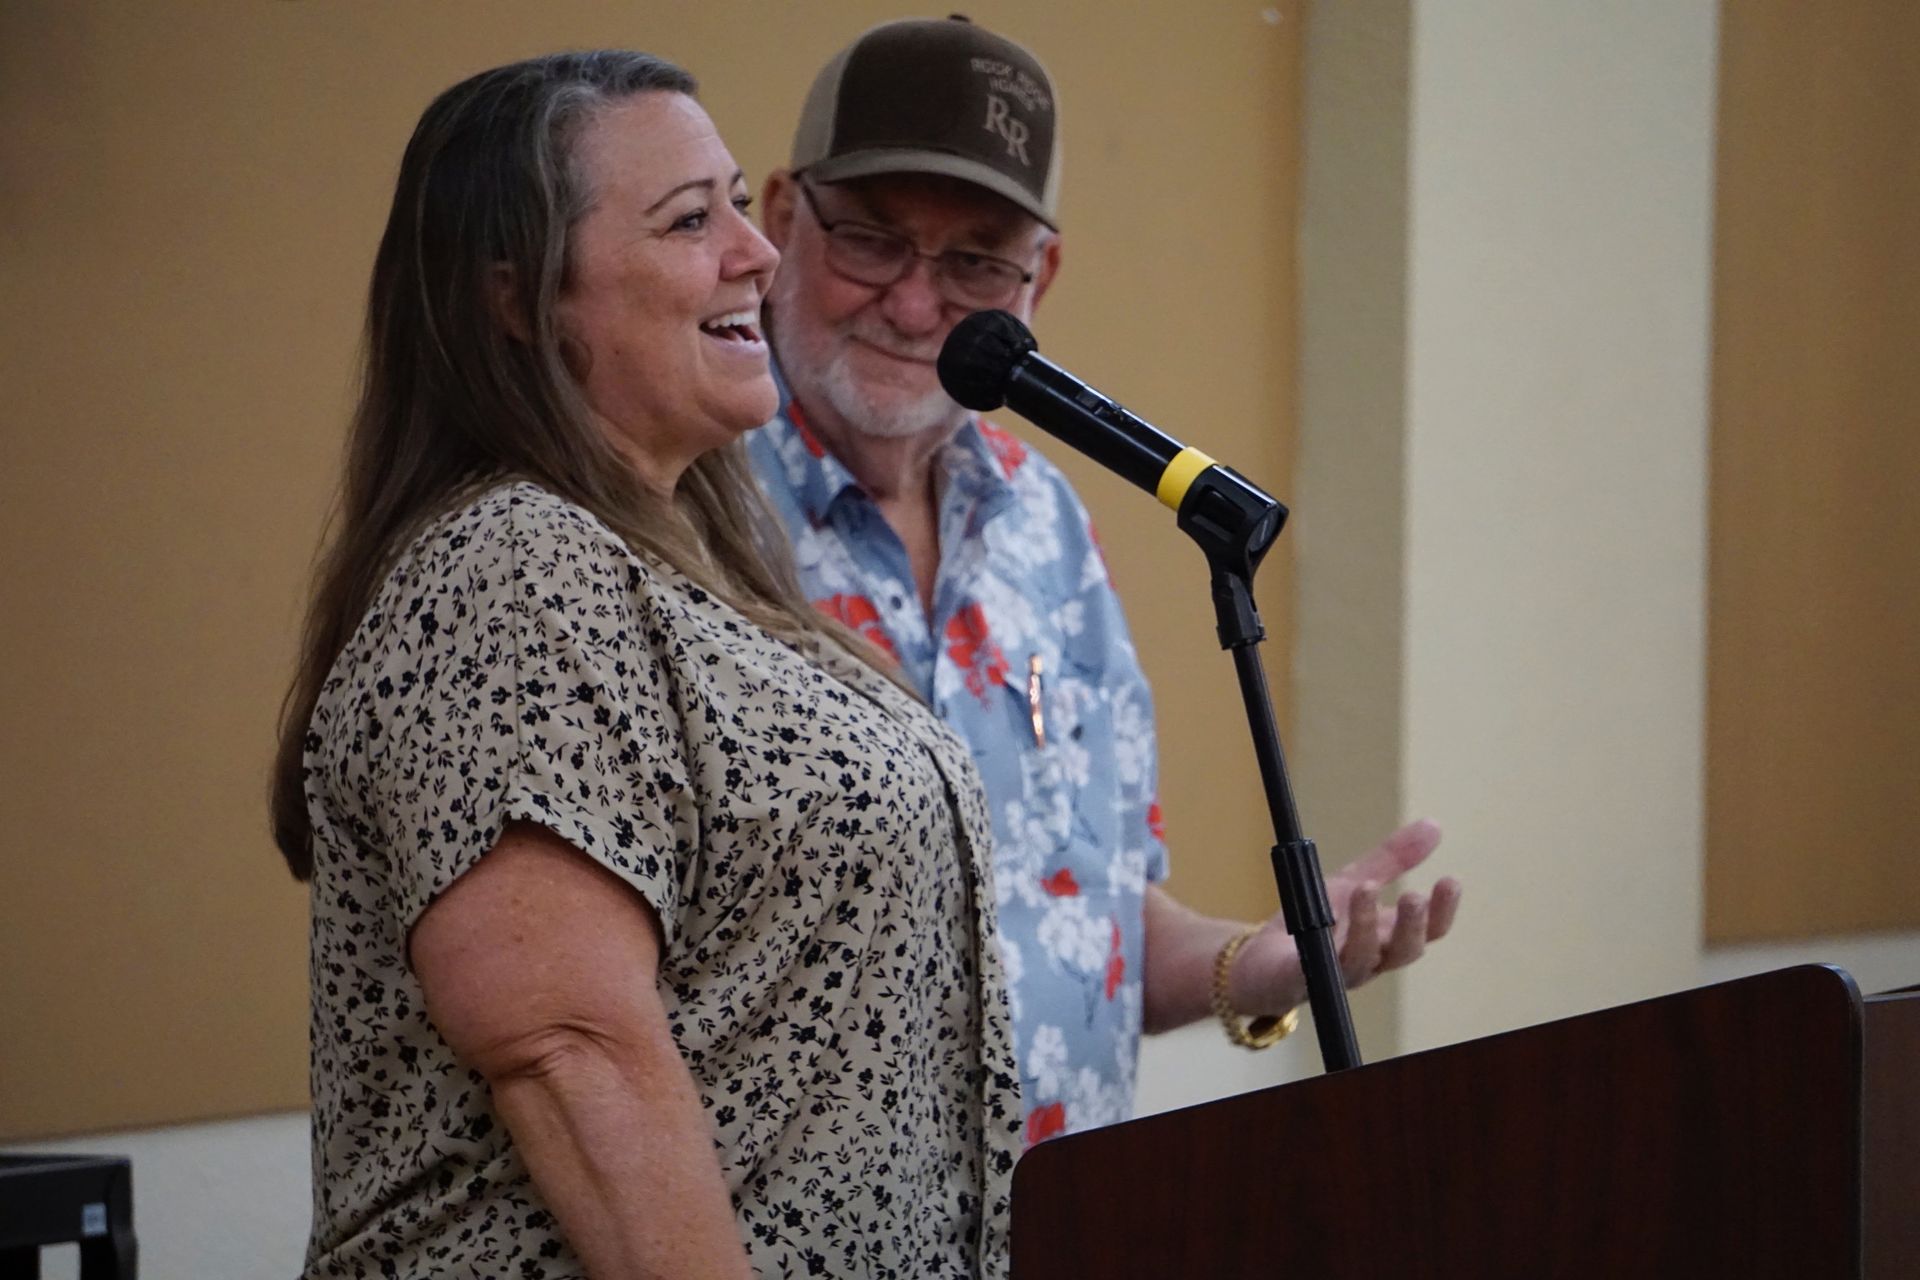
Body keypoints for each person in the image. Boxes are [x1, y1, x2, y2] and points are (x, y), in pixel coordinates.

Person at [271, 51, 1022, 1278]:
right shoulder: (511, 567)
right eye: (691, 220)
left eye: (738, 200)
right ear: (518, 301)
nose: (757, 253)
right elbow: (570, 1049)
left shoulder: (693, 575)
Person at [747, 15, 1463, 1142]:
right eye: (874, 239)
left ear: (1043, 276)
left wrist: (1260, 963)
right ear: (783, 218)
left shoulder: (1050, 524)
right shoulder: (682, 511)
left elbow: (1090, 915)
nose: (919, 304)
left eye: (976, 259)